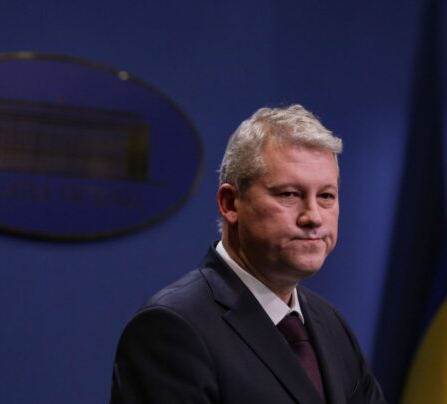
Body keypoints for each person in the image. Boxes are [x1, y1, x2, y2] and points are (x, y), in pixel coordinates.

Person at [110, 105, 387, 403]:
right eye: (289, 194)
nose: (313, 217)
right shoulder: (172, 328)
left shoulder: (331, 326)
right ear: (230, 203)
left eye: (326, 196)